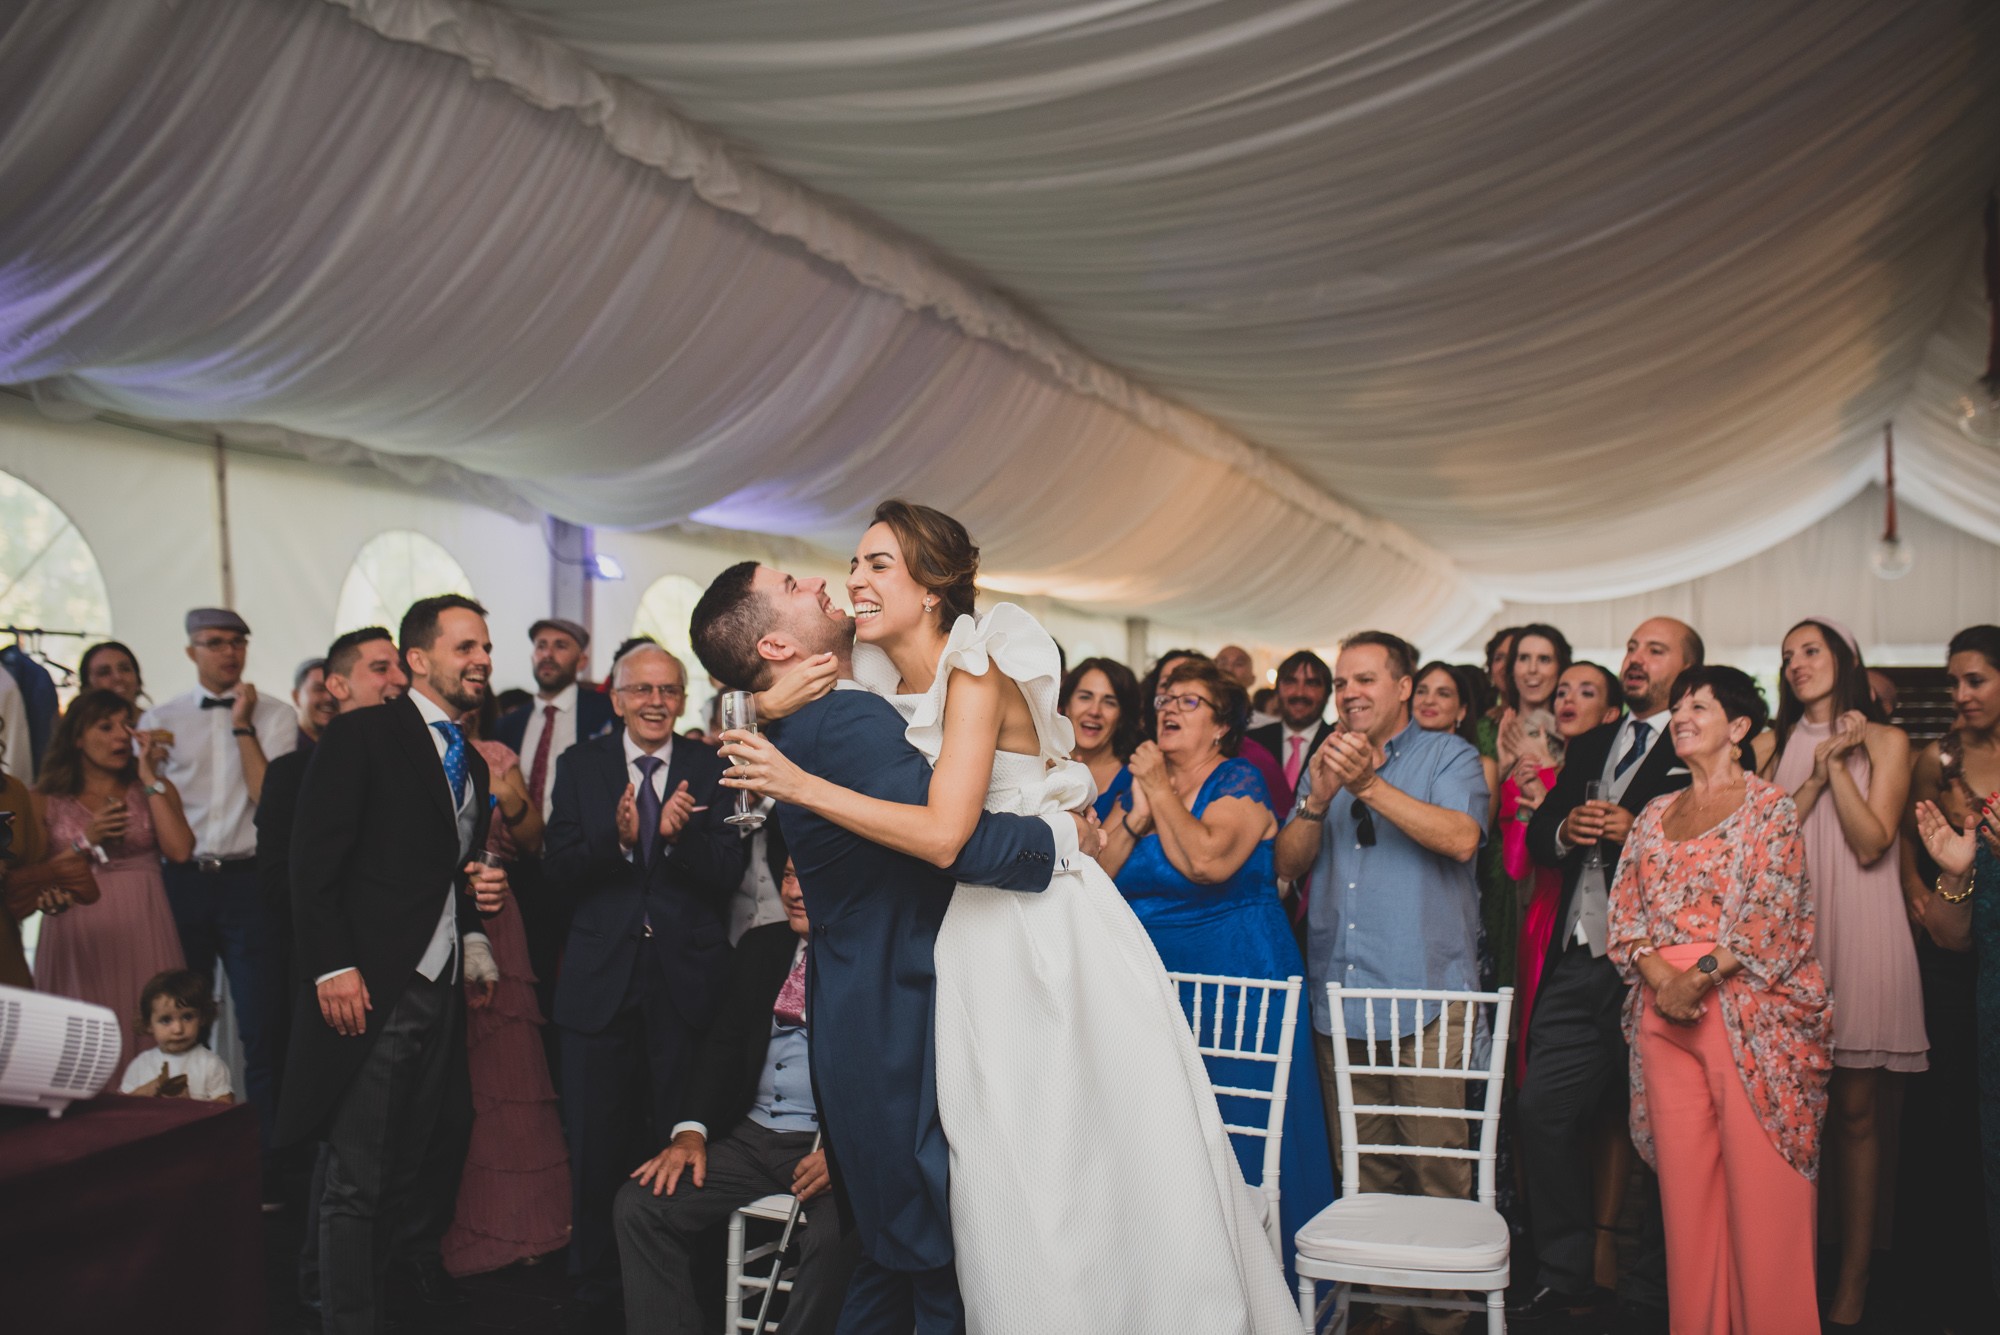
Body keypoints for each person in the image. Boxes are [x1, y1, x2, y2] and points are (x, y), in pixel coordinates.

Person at [698, 504, 1293, 1334]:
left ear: (932, 586)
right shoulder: (859, 695)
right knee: (1001, 1184)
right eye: (847, 567)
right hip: (962, 948)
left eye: (876, 565)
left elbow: (946, 833)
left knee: (1073, 1163)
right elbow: (882, 786)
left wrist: (1063, 836)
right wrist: (763, 716)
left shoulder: (976, 662)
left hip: (1036, 936)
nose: (849, 581)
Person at [275, 594, 509, 1335]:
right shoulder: (366, 734)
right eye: (465, 647)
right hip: (373, 983)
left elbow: (445, 864)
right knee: (357, 1179)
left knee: (408, 1165)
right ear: (418, 659)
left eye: (485, 647)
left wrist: (477, 904)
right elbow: (311, 863)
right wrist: (332, 966)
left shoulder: (469, 758)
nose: (482, 660)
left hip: (437, 989)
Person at [1273, 630, 1488, 1335]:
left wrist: (1369, 785)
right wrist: (1318, 798)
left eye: (1365, 679)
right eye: (1342, 682)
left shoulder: (1446, 753)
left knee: (1435, 1170)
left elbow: (1461, 838)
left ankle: (1445, 1322)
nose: (1349, 693)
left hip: (1424, 993)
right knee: (1366, 1174)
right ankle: (1385, 1313)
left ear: (1404, 687)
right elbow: (1290, 863)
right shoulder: (1325, 758)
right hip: (1343, 992)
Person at [1607, 665, 1830, 1335]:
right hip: (1661, 1014)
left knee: (1764, 1201)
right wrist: (1661, 980)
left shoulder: (1770, 808)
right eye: (1678, 706)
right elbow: (1626, 914)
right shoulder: (1651, 814)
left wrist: (1694, 977)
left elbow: (1773, 912)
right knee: (1687, 1201)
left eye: (1698, 706)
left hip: (1748, 1014)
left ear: (1738, 728)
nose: (1681, 715)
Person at [1100, 657, 1334, 1281]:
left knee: (1243, 1134)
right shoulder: (1138, 784)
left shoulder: (1241, 781)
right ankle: (1184, 1286)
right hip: (1154, 986)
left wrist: (1154, 792)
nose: (1169, 709)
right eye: (1165, 699)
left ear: (1224, 725)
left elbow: (1206, 861)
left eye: (1189, 702)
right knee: (1166, 1139)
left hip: (1237, 980)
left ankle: (1267, 1289)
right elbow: (1097, 875)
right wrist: (1134, 811)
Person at [541, 642, 744, 1319]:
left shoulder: (713, 766)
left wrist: (680, 838)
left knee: (683, 1144)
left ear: (683, 699)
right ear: (618, 697)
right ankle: (597, 1290)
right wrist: (620, 840)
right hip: (601, 985)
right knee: (597, 1144)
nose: (656, 700)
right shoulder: (581, 766)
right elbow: (557, 873)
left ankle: (685, 1288)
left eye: (669, 689)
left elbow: (729, 873)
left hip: (687, 985)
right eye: (642, 689)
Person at [1512, 617, 1702, 1328]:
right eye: (1631, 647)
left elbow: (1711, 846)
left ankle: (1651, 1285)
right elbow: (1539, 833)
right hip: (1579, 956)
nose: (1635, 658)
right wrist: (1567, 829)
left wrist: (1640, 832)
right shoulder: (1592, 740)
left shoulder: (1694, 746)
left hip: (1655, 965)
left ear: (1686, 670)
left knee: (1656, 1127)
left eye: (1654, 649)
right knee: (1541, 1110)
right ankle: (1565, 1273)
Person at [615, 860, 860, 1335]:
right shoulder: (761, 946)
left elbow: (898, 1075)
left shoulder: (873, 959)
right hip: (749, 1138)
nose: (794, 890)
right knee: (639, 1206)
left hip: (823, 1151)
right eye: (788, 875)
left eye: (808, 876)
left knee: (836, 1236)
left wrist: (847, 1154)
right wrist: (690, 1132)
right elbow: (722, 1046)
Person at [1765, 618, 1923, 1328]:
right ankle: (1791, 1268)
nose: (1798, 663)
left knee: (1857, 1115)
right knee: (1792, 1121)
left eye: (1812, 650)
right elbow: (1768, 845)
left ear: (1846, 660)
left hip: (1862, 929)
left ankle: (1854, 1280)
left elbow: (1870, 842)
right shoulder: (1771, 746)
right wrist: (1814, 759)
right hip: (1795, 937)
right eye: (1788, 655)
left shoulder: (1888, 743)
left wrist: (1836, 766)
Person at [256, 627, 410, 1312]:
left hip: (390, 982)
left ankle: (340, 1289)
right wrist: (333, 964)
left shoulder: (404, 760)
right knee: (341, 1145)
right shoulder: (294, 769)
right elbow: (290, 878)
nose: (397, 680)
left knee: (366, 1147)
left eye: (400, 667)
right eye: (381, 668)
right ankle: (324, 1298)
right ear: (335, 686)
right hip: (330, 977)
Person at [138, 607, 298, 1189]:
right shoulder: (160, 719)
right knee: (182, 1018)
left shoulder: (278, 715)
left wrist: (243, 723)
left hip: (249, 880)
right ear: (190, 652)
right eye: (214, 643)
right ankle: (190, 1150)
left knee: (262, 1022)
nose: (228, 653)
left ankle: (269, 1161)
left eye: (237, 642)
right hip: (182, 880)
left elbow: (267, 796)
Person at [441, 692, 569, 1278]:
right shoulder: (412, 754)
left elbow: (533, 838)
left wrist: (501, 783)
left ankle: (518, 1217)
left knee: (509, 1064)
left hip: (497, 907)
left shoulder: (497, 754)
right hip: (434, 915)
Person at [1905, 623, 2000, 1306]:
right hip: (1959, 949)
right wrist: (1944, 887)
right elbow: (1922, 870)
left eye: (1977, 680)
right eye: (1954, 682)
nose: (1962, 695)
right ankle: (1958, 1287)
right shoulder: (1935, 759)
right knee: (1955, 1121)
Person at [33, 689, 194, 1072]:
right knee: (79, 1042)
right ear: (76, 737)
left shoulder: (153, 788)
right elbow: (35, 873)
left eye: (127, 726)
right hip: (77, 933)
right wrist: (84, 841)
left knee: (150, 1034)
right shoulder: (44, 798)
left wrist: (149, 777)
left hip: (145, 927)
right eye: (106, 727)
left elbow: (181, 850)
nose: (121, 737)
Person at [1512, 663, 1622, 1068]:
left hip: (1596, 922)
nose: (1568, 700)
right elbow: (1517, 862)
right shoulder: (1534, 769)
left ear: (1613, 715)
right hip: (1548, 915)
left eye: (1586, 692)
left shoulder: (1606, 772)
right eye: (1562, 691)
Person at [120, 967, 233, 1102]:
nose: (178, 1029)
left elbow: (226, 1109)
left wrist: (189, 1105)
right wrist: (145, 1091)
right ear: (149, 1024)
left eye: (187, 1017)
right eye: (166, 1020)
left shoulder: (210, 1064)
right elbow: (122, 1108)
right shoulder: (140, 1065)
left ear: (202, 1017)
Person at [1246, 649, 1334, 820]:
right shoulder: (1252, 742)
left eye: (1311, 683)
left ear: (1327, 693)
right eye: (1290, 682)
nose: (1299, 693)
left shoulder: (1338, 745)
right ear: (1278, 690)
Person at [1059, 655, 1141, 820]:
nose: (1095, 711)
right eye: (1085, 697)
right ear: (1066, 705)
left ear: (1122, 717)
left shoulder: (1133, 780)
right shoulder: (1044, 767)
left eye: (1109, 702)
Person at [80, 640, 145, 703]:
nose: (118, 677)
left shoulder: (153, 714)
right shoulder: (75, 714)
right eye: (104, 673)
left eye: (125, 669)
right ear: (87, 685)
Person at [294, 657, 335, 749]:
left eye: (335, 689)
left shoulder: (351, 746)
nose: (329, 697)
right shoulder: (280, 742)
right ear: (296, 696)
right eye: (319, 689)